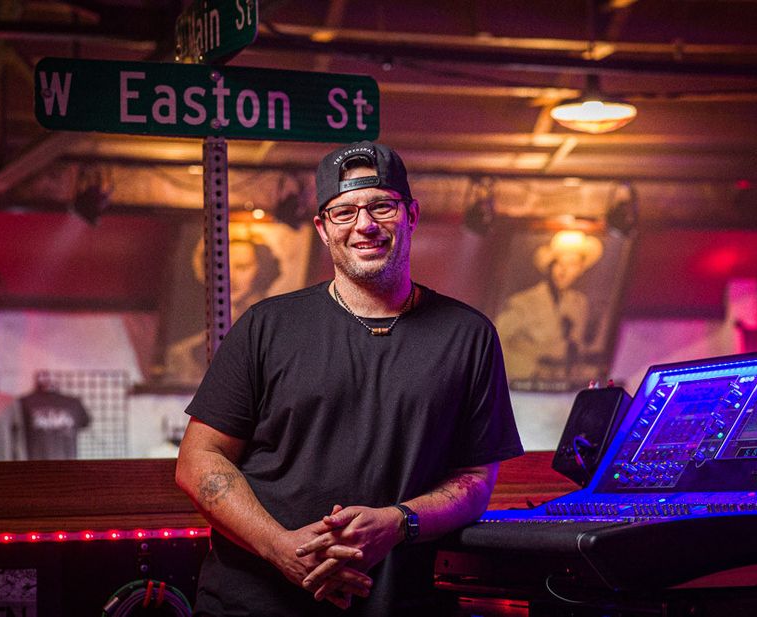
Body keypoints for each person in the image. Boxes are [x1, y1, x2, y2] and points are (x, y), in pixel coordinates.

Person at [175, 140, 523, 616]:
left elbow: (476, 480)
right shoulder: (265, 326)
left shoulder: (469, 335)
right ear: (322, 227)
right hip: (254, 603)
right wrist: (281, 547)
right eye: (344, 212)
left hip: (400, 603)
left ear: (411, 215)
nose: (365, 225)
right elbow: (198, 460)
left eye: (382, 206)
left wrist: (399, 521)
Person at [164, 232, 282, 384]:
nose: (230, 277)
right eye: (221, 267)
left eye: (242, 267)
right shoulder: (183, 353)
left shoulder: (275, 330)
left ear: (261, 270)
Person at [495, 230, 603, 382]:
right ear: (550, 267)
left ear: (580, 270)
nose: (563, 271)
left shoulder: (580, 304)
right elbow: (496, 339)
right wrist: (529, 369)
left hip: (563, 389)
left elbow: (577, 348)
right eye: (559, 263)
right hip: (526, 386)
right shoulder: (524, 302)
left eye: (572, 264)